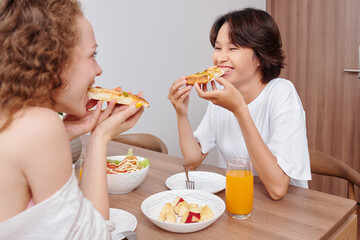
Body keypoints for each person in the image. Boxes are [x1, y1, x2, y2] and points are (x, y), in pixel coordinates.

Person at [0, 0, 144, 238]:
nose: (99, 70)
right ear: (53, 62)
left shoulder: (15, 119)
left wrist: (67, 131)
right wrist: (100, 136)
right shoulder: (40, 125)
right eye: (92, 55)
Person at [168, 8, 311, 200]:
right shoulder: (224, 94)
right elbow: (192, 160)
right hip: (235, 201)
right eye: (218, 48)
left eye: (233, 48)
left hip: (284, 212)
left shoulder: (281, 93)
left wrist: (239, 110)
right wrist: (181, 113)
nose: (220, 57)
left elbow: (277, 189)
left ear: (260, 56)